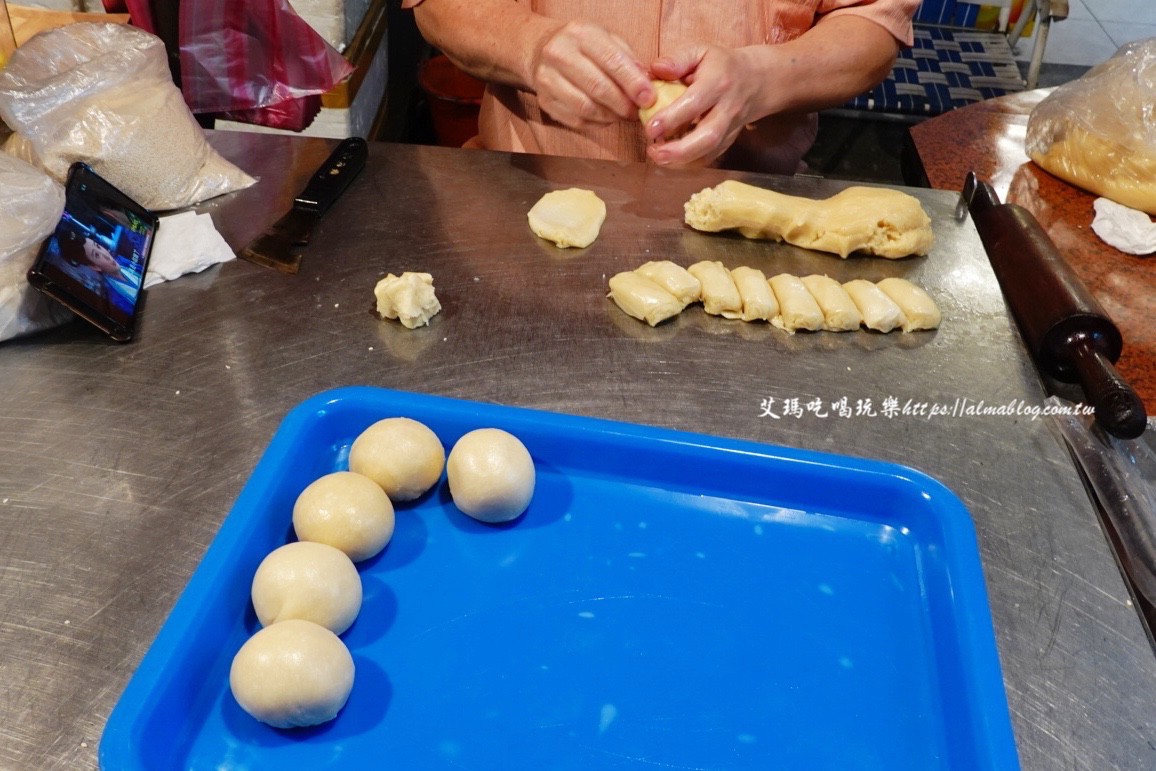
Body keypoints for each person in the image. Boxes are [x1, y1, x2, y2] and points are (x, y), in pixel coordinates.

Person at [403, 0, 919, 175]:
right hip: (525, 198)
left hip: (749, 214)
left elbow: (871, 24)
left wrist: (766, 76)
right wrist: (528, 46)